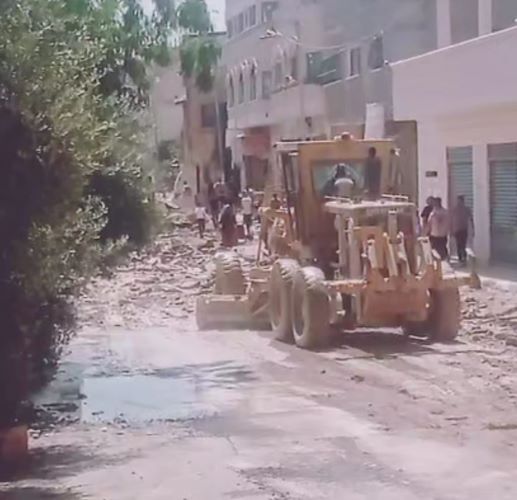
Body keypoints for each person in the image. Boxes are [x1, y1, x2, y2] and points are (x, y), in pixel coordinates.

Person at [452, 195, 474, 264]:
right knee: (458, 244)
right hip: (457, 229)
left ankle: (464, 257)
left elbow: (471, 219)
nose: (459, 202)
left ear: (463, 201)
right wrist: (451, 229)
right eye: (458, 201)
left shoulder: (467, 209)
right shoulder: (455, 210)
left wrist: (473, 229)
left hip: (464, 229)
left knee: (463, 244)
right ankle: (460, 258)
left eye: (460, 201)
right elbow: (451, 220)